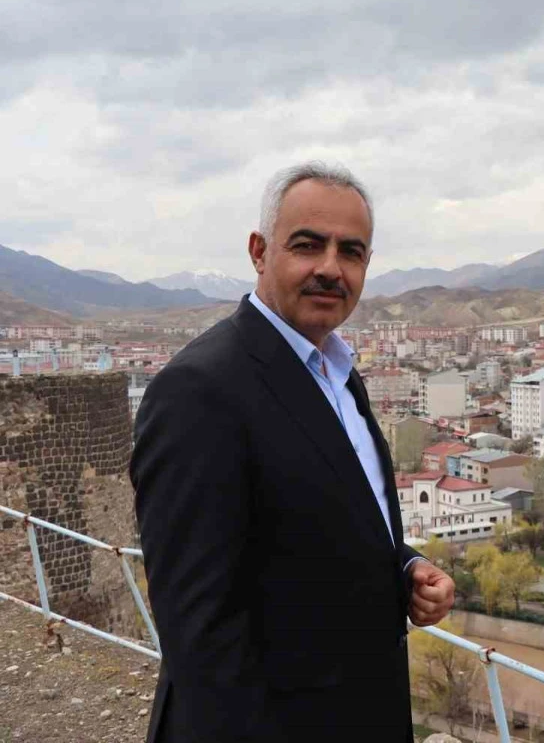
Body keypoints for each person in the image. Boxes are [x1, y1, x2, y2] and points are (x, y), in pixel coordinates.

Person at [131, 162, 455, 742]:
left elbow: (319, 521)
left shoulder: (337, 372)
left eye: (350, 251)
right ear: (260, 252)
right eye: (308, 245)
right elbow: (199, 629)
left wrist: (404, 568)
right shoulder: (199, 390)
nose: (331, 268)